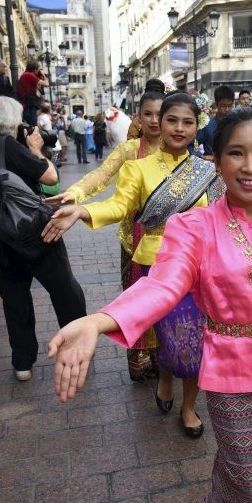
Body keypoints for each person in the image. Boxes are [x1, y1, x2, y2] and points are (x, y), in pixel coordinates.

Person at [48, 108, 252, 503]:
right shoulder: (194, 226)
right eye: (236, 154)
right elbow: (162, 286)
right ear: (217, 160)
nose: (250, 167)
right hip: (231, 379)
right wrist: (99, 321)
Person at [42, 93, 223, 437]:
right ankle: (166, 378)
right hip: (158, 271)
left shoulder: (207, 171)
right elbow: (119, 204)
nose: (179, 128)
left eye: (188, 122)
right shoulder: (137, 168)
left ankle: (189, 407)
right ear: (155, 122)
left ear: (197, 126)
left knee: (197, 341)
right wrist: (83, 209)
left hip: (200, 272)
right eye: (172, 120)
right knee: (171, 340)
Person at [45, 91, 164, 381]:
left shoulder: (184, 151)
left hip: (175, 248)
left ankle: (167, 360)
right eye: (147, 113)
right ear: (137, 116)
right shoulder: (129, 151)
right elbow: (101, 176)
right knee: (135, 302)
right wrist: (76, 194)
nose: (154, 120)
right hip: (133, 241)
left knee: (169, 305)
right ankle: (140, 362)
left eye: (161, 114)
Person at [0, 96, 85, 382]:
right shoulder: (8, 146)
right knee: (66, 292)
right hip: (36, 236)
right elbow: (50, 177)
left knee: (15, 302)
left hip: (0, 240)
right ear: (8, 122)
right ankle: (75, 351)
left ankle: (22, 363)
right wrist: (34, 148)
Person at [197, 84, 234, 160]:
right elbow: (190, 146)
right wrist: (202, 156)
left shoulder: (237, 125)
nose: (227, 109)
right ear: (217, 105)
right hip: (212, 168)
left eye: (230, 106)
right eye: (223, 106)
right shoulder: (206, 126)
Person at [17, 61, 48, 125]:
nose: (38, 71)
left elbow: (39, 88)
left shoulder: (25, 75)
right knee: (32, 124)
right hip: (29, 104)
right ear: (35, 69)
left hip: (27, 102)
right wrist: (44, 75)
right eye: (38, 69)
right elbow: (46, 84)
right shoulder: (29, 75)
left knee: (31, 123)